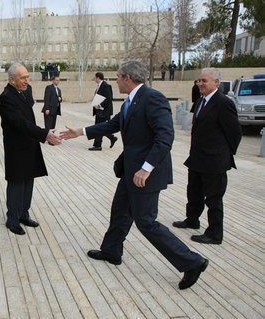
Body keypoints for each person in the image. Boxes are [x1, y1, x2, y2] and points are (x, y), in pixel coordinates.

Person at [60, 60, 208, 290]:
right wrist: (81, 131)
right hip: (131, 171)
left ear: (128, 78)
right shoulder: (131, 100)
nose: (116, 80)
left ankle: (192, 262)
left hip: (145, 174)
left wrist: (146, 168)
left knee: (146, 222)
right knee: (120, 210)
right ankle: (111, 251)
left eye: (118, 77)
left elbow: (165, 137)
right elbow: (114, 124)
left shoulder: (153, 98)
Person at [173, 68, 242, 245]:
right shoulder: (201, 101)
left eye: (204, 81)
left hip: (214, 162)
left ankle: (214, 233)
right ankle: (192, 219)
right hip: (197, 158)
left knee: (213, 199)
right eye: (199, 81)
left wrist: (224, 154)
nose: (200, 84)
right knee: (193, 192)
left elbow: (235, 133)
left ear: (216, 83)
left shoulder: (223, 103)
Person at [0, 63, 61, 235]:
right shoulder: (6, 97)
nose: (27, 80)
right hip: (16, 147)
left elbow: (28, 119)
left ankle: (23, 213)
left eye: (27, 76)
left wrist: (40, 134)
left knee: (28, 181)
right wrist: (44, 134)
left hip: (29, 143)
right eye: (23, 78)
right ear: (12, 79)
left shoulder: (24, 91)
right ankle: (12, 219)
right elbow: (20, 122)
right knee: (17, 182)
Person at [90, 72, 118, 151]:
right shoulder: (99, 86)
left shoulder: (106, 86)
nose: (95, 79)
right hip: (99, 110)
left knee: (99, 127)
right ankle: (112, 137)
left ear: (98, 78)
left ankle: (98, 145)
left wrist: (100, 105)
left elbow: (109, 98)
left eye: (95, 78)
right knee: (100, 127)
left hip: (104, 111)